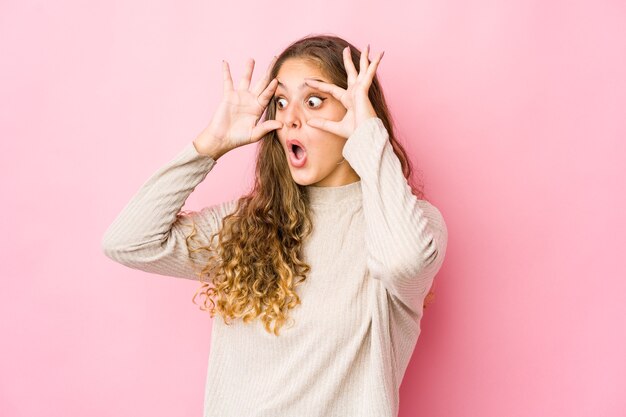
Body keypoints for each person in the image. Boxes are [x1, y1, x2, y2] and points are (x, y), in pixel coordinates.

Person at [101, 34, 448, 417]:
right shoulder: (246, 224)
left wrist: (368, 139)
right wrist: (209, 146)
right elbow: (128, 242)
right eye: (281, 103)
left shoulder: (410, 224)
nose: (290, 119)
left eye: (314, 101)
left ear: (356, 112)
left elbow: (404, 263)